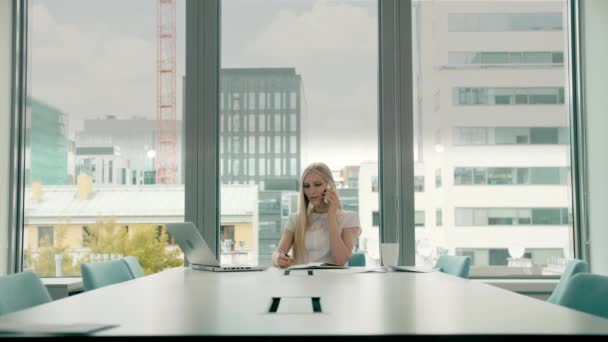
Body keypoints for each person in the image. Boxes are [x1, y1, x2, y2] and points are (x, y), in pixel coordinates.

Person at [272, 162, 361, 268]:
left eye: (317, 184)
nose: (311, 191)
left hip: (333, 282)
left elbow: (340, 260)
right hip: (302, 281)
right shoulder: (296, 219)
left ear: (330, 186)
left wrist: (331, 216)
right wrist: (278, 259)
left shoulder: (349, 218)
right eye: (306, 186)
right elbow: (277, 253)